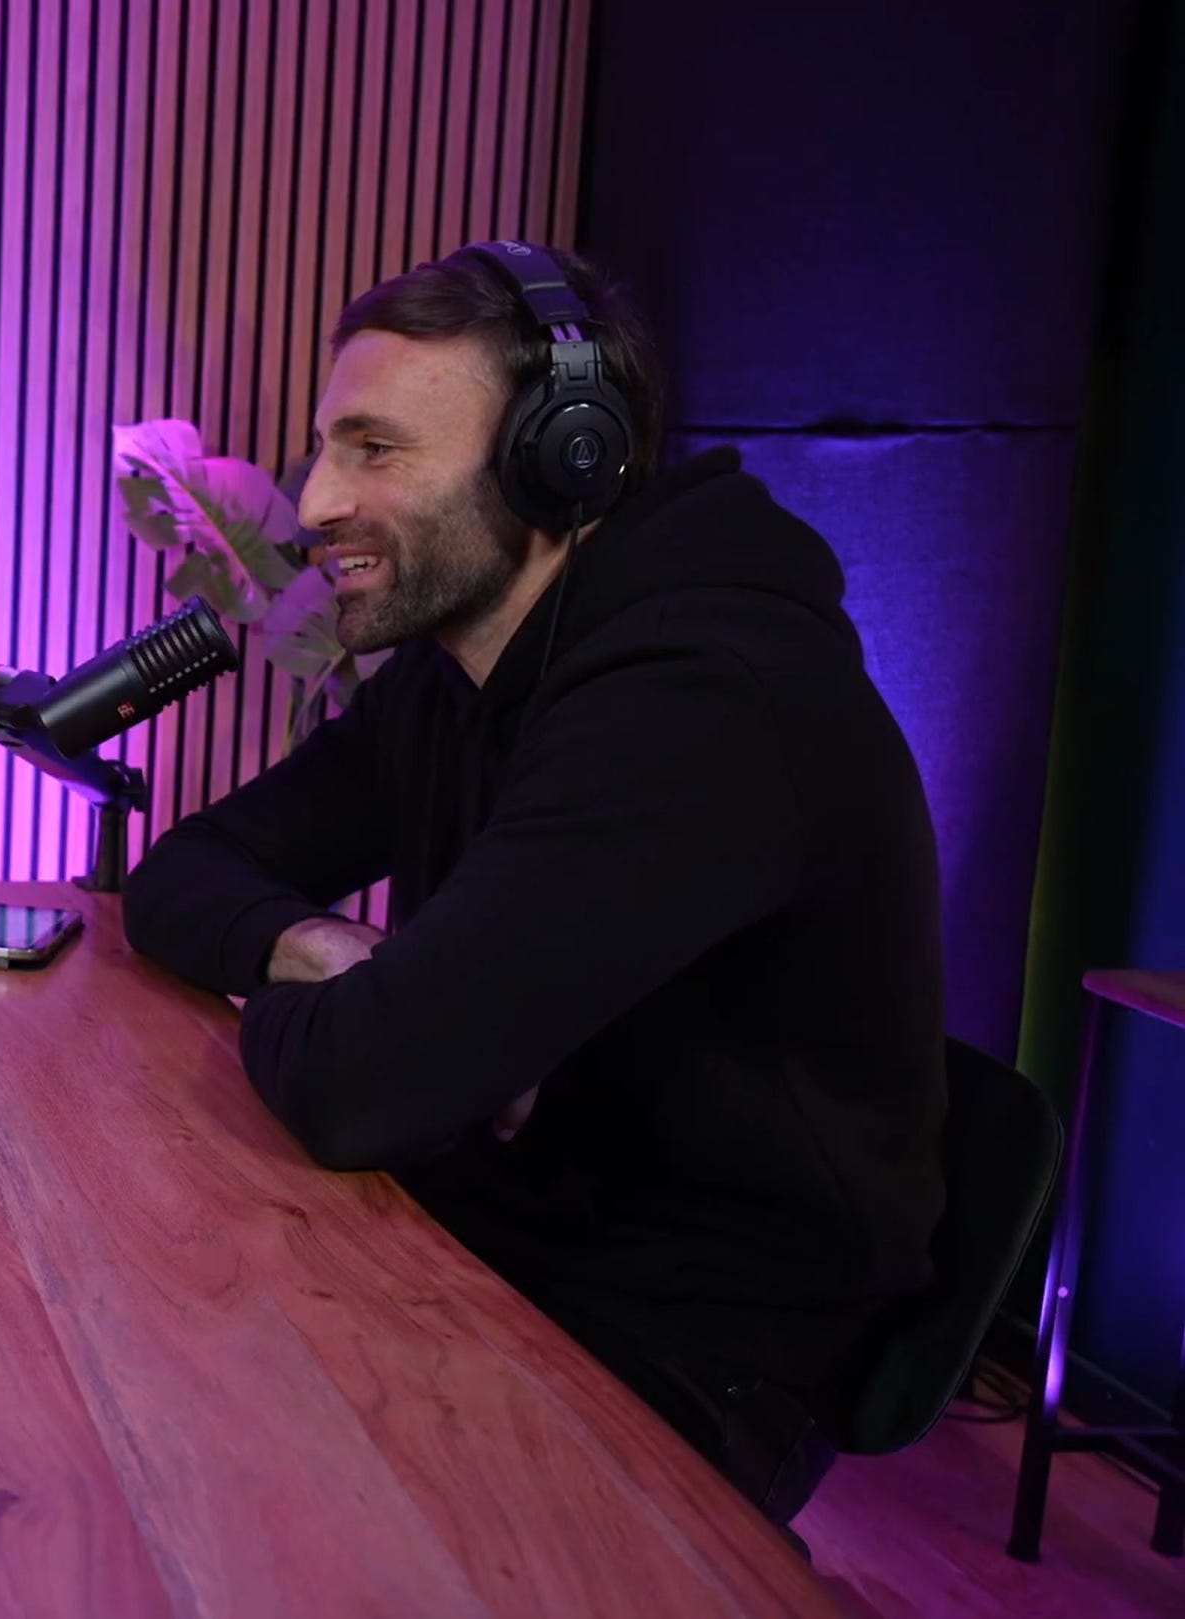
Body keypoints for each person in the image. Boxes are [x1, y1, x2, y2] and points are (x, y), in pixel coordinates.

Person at [122, 244, 946, 1526]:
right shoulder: (457, 668)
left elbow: (361, 1087)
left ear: (563, 459)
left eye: (375, 450)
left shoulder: (703, 703)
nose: (316, 500)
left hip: (686, 1344)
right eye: (326, 448)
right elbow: (182, 873)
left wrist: (378, 1026)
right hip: (490, 1232)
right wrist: (315, 950)